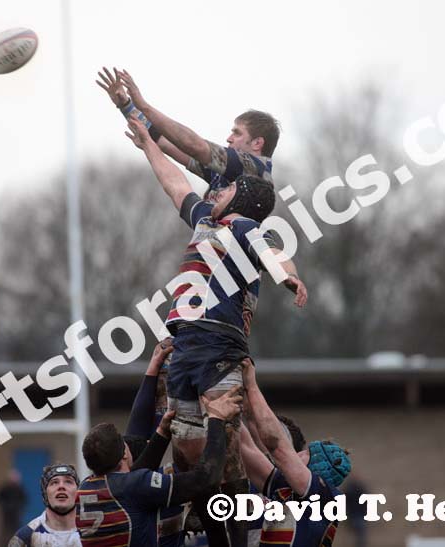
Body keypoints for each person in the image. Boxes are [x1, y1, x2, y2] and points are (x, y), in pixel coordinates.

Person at [125, 117, 307, 546]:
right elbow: (173, 182)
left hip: (217, 346)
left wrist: (289, 279)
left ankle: (233, 537)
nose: (215, 190)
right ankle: (208, 528)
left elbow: (276, 253)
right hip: (185, 343)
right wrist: (149, 144)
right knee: (187, 448)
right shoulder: (205, 218)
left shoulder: (243, 227)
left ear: (239, 196)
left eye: (223, 188)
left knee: (221, 452)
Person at [76, 387, 243, 547]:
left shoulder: (85, 487)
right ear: (124, 454)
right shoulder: (134, 486)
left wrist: (162, 433)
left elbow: (130, 482)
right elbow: (205, 479)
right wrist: (216, 420)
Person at [97, 67, 277, 204]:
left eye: (237, 133)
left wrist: (143, 105)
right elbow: (165, 142)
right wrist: (127, 106)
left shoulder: (257, 169)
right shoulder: (227, 172)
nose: (228, 138)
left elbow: (194, 145)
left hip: (231, 251)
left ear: (257, 143)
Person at [239, 359, 351, 546]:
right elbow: (246, 447)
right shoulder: (286, 488)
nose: (297, 454)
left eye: (304, 453)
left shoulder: (325, 498)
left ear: (317, 465)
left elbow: (276, 446)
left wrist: (251, 385)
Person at [8, 464, 80, 547]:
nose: (61, 486)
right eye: (54, 482)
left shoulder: (92, 532)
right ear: (45, 493)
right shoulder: (25, 537)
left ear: (78, 491)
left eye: (68, 481)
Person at [0, 469, 28, 541]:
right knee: (6, 532)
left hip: (16, 514)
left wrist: (19, 507)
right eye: (13, 478)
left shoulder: (20, 489)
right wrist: (5, 506)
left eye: (16, 478)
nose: (15, 479)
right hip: (6, 515)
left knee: (17, 531)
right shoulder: (4, 488)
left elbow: (24, 499)